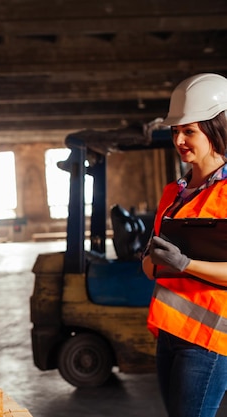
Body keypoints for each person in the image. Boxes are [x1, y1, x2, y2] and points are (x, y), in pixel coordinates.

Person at [142, 73, 227, 417]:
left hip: (210, 340)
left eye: (189, 131)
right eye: (175, 131)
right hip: (169, 330)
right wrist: (152, 261)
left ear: (216, 128)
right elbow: (150, 267)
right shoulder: (172, 194)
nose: (179, 139)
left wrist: (185, 264)